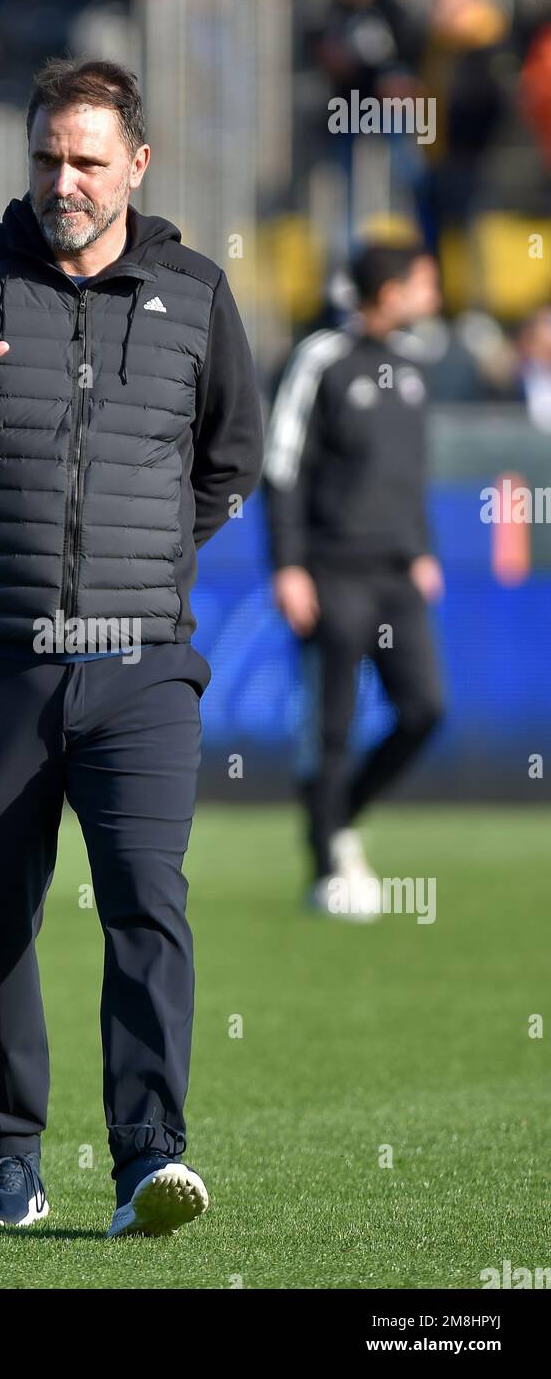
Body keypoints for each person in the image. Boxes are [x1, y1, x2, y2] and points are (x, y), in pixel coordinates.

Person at [0, 57, 263, 1237]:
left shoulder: (193, 288)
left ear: (135, 163)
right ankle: (9, 1162)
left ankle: (146, 1159)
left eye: (85, 158)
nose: (62, 180)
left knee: (145, 902)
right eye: (45, 158)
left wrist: (154, 564)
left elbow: (230, 460)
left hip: (143, 668)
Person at [262, 241, 445, 920]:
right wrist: (288, 565)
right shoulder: (320, 360)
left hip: (397, 574)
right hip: (331, 572)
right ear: (390, 291)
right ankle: (326, 862)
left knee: (424, 708)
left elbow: (407, 477)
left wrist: (422, 551)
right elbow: (281, 468)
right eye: (425, 283)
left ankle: (338, 822)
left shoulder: (414, 365)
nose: (435, 295)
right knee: (331, 725)